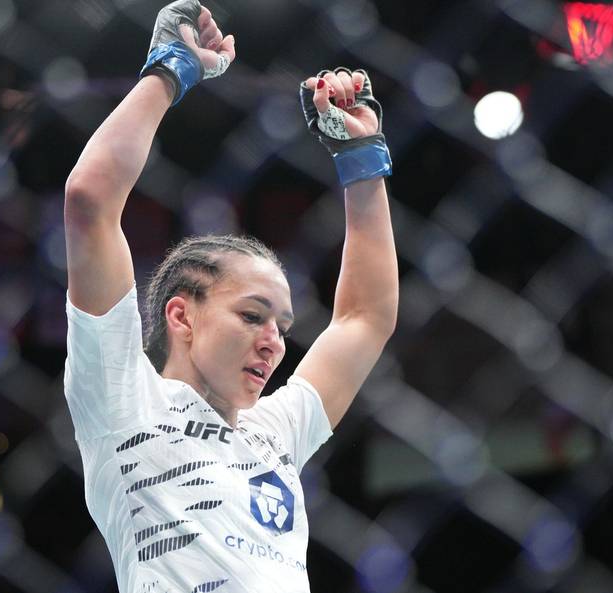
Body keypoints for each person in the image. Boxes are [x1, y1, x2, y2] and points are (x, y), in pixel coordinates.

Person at [62, 1, 398, 591]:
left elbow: (364, 318)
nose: (273, 343)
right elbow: (90, 202)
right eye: (251, 315)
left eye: (281, 327)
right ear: (181, 315)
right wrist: (168, 71)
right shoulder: (123, 401)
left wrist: (362, 160)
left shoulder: (273, 432)